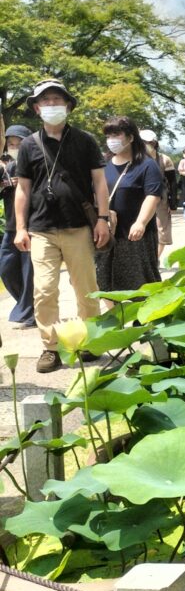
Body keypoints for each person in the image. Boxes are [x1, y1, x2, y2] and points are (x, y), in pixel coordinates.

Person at [14, 79, 111, 373]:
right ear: (36, 107)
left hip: (78, 227)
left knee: (86, 288)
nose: (52, 105)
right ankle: (50, 347)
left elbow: (99, 182)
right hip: (41, 228)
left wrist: (103, 219)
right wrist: (20, 227)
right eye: (46, 101)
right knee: (44, 290)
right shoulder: (29, 145)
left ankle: (90, 341)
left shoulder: (85, 141)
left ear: (68, 105)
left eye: (58, 100)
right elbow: (23, 189)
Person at [94, 116, 164, 298]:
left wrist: (141, 222)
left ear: (131, 137)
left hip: (134, 235)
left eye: (116, 134)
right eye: (108, 135)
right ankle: (115, 320)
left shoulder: (147, 165)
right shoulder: (103, 164)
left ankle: (145, 322)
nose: (111, 140)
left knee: (139, 281)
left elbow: (152, 196)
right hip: (107, 233)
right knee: (103, 279)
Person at [0, 124, 35, 327]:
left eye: (18, 144)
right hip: (12, 228)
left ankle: (29, 311)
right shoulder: (8, 167)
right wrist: (6, 184)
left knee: (29, 272)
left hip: (33, 226)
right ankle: (27, 306)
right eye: (11, 144)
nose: (14, 147)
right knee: (7, 268)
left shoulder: (35, 163)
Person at [140, 129, 174, 255]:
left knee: (162, 229)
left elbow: (172, 182)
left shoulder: (165, 159)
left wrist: (173, 203)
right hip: (141, 198)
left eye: (149, 142)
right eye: (143, 142)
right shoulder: (137, 160)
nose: (147, 145)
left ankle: (155, 258)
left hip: (161, 198)